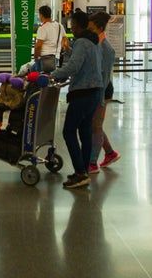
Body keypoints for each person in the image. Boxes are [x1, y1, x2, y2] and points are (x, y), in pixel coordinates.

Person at [50, 11, 104, 189]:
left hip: (83, 93)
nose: (71, 29)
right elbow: (84, 61)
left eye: (72, 26)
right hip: (94, 92)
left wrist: (52, 75)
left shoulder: (82, 41)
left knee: (68, 131)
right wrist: (69, 51)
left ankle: (80, 173)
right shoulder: (93, 42)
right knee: (85, 131)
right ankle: (84, 171)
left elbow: (74, 66)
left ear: (80, 26)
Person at [88, 12, 121, 170]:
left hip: (102, 91)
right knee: (95, 125)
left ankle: (92, 162)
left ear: (99, 28)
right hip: (95, 89)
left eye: (92, 28)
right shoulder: (95, 43)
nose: (89, 31)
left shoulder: (106, 48)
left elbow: (105, 76)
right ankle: (110, 153)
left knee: (96, 126)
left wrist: (98, 96)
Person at [34, 5, 69, 72]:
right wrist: (61, 48)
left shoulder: (42, 28)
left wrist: (36, 57)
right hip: (56, 57)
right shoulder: (59, 26)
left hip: (44, 58)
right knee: (49, 76)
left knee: (36, 76)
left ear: (41, 15)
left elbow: (38, 45)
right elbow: (65, 40)